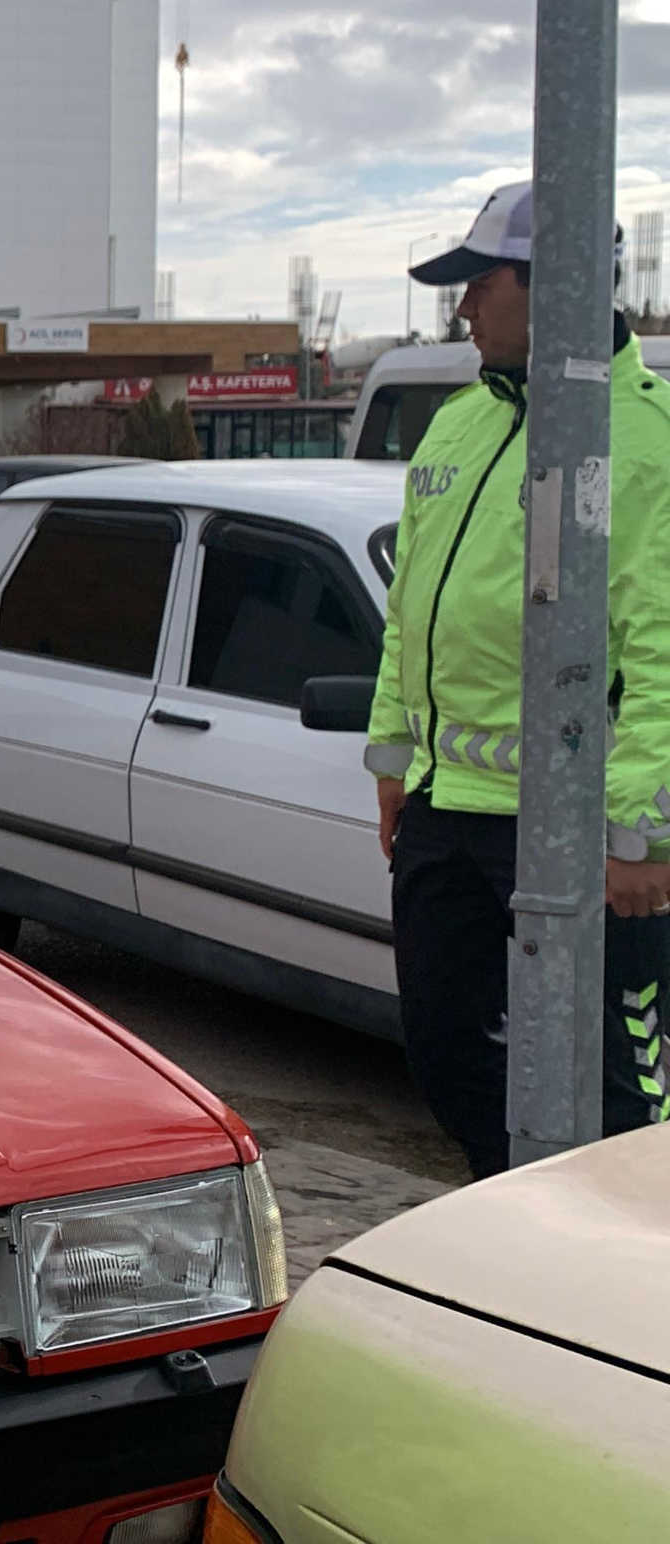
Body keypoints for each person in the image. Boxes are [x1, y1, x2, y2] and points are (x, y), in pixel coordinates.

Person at [372, 179, 670, 1179]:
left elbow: (665, 650)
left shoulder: (644, 442)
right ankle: (518, 1240)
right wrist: (389, 763)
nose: (458, 308)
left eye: (476, 283)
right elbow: (407, 609)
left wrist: (638, 836)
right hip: (444, 814)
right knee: (445, 1052)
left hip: (579, 834)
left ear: (554, 287)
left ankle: (622, 1301)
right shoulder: (456, 424)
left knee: (624, 1102)